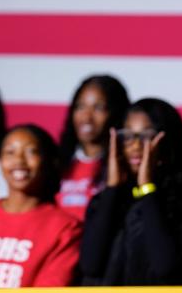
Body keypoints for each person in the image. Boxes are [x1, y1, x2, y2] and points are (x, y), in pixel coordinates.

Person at [79, 98, 182, 286]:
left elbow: (165, 267)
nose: (135, 145)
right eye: (128, 136)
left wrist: (147, 189)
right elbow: (90, 266)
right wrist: (111, 189)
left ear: (167, 141)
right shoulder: (105, 201)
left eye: (146, 136)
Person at [0, 125, 82, 288]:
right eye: (10, 152)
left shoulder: (66, 228)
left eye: (31, 152)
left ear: (48, 161)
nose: (19, 160)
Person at [55, 75, 130, 220]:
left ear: (115, 112)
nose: (86, 117)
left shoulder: (123, 166)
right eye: (80, 106)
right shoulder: (58, 162)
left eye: (98, 108)